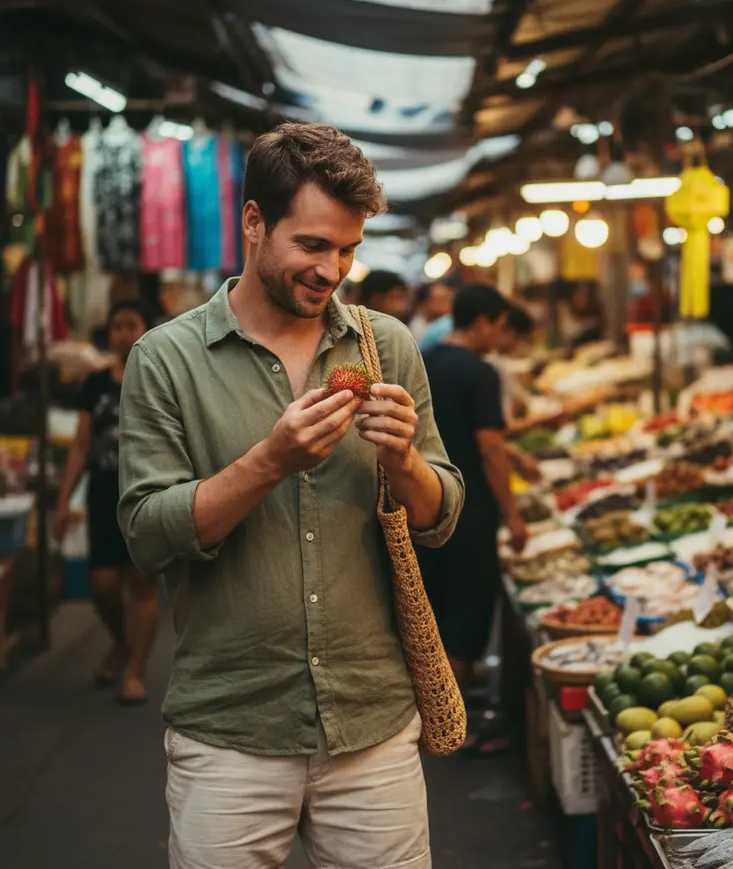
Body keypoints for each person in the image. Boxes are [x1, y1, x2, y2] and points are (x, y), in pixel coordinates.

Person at [117, 123, 464, 869]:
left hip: (373, 721)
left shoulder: (385, 346)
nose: (331, 269)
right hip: (230, 730)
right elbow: (147, 533)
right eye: (312, 245)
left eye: (347, 249)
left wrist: (404, 460)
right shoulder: (166, 359)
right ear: (253, 221)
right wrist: (269, 461)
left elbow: (441, 516)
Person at [418, 285, 527, 704]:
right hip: (470, 508)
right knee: (468, 614)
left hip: (426, 503)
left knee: (437, 610)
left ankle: (438, 704)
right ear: (482, 323)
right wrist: (512, 515)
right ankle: (452, 716)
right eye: (498, 327)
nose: (498, 337)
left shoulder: (424, 360)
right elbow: (489, 447)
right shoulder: (481, 373)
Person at [54, 300, 159, 705]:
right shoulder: (95, 384)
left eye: (132, 325)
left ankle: (134, 670)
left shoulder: (158, 377)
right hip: (103, 492)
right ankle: (121, 642)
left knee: (143, 583)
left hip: (147, 490)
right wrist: (63, 500)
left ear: (146, 329)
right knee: (103, 585)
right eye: (117, 326)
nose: (124, 334)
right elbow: (82, 444)